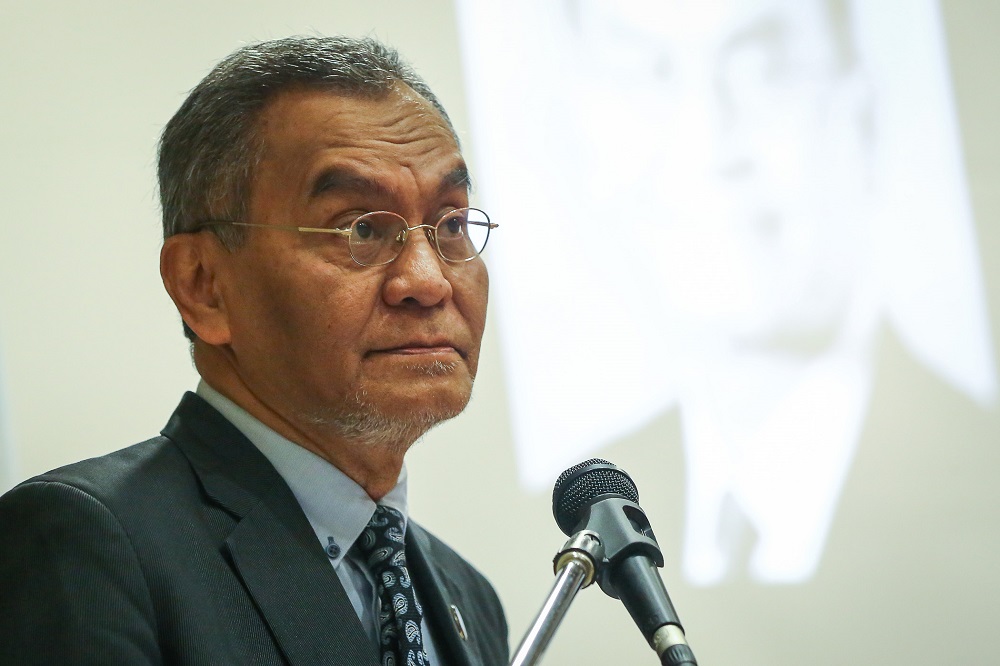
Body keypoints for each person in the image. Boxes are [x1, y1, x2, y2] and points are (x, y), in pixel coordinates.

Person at [0, 36, 507, 665]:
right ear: (203, 286)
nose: (428, 281)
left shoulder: (468, 599)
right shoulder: (91, 544)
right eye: (361, 228)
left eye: (452, 224)